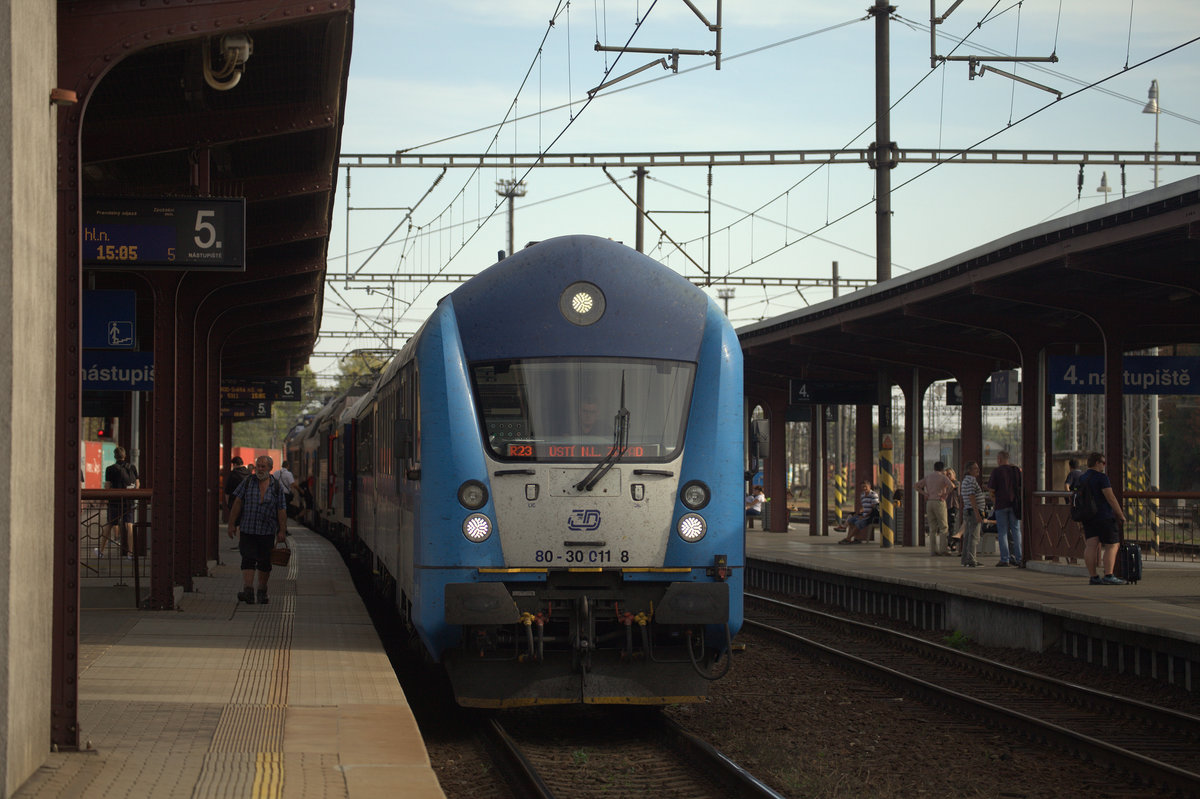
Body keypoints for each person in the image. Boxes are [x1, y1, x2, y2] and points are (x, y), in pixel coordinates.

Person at [227, 455, 288, 604]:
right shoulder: (247, 482)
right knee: (247, 559)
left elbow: (281, 509)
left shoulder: (276, 486)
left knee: (265, 562)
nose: (260, 469)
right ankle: (248, 590)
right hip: (248, 529)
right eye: (258, 466)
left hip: (267, 531)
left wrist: (282, 531)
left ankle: (262, 590)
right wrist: (231, 524)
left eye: (263, 467)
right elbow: (237, 503)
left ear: (270, 468)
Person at [1080, 451, 1128, 585]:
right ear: (1097, 463)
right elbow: (1110, 498)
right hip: (1104, 516)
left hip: (1088, 517)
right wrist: (1120, 514)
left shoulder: (1082, 478)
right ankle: (1108, 575)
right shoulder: (1102, 478)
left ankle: (1093, 577)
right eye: (1103, 463)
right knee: (1112, 544)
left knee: (1091, 545)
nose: (1104, 466)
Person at [99, 446, 139, 558]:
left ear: (115, 456)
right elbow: (138, 484)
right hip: (129, 501)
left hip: (115, 502)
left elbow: (107, 486)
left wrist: (105, 498)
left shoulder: (110, 469)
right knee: (129, 525)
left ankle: (101, 552)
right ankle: (130, 553)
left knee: (110, 524)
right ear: (125, 455)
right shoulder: (132, 467)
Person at [987, 450, 1023, 567]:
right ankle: (1019, 558)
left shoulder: (996, 471)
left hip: (1001, 505)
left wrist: (995, 501)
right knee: (1016, 531)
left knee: (1002, 532)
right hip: (1014, 505)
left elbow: (991, 490)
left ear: (999, 459)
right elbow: (1021, 486)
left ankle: (1005, 559)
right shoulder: (1016, 470)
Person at [914, 461, 954, 556]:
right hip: (939, 502)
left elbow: (916, 486)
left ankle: (933, 550)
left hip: (929, 502)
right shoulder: (943, 477)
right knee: (943, 527)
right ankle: (943, 550)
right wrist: (945, 494)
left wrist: (925, 494)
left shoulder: (928, 477)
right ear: (942, 469)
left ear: (934, 468)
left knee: (932, 528)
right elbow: (952, 486)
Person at [959, 461, 985, 567]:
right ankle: (971, 559)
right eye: (975, 468)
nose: (978, 470)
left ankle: (965, 559)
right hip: (973, 511)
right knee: (973, 536)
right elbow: (972, 497)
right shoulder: (971, 480)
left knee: (968, 536)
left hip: (968, 510)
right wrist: (977, 513)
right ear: (969, 470)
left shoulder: (965, 480)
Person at [945, 467, 963, 553]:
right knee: (948, 525)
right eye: (946, 474)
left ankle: (951, 543)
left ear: (953, 474)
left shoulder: (956, 483)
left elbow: (957, 493)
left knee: (952, 524)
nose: (948, 476)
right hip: (946, 506)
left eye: (949, 474)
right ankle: (951, 543)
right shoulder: (945, 484)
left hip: (954, 506)